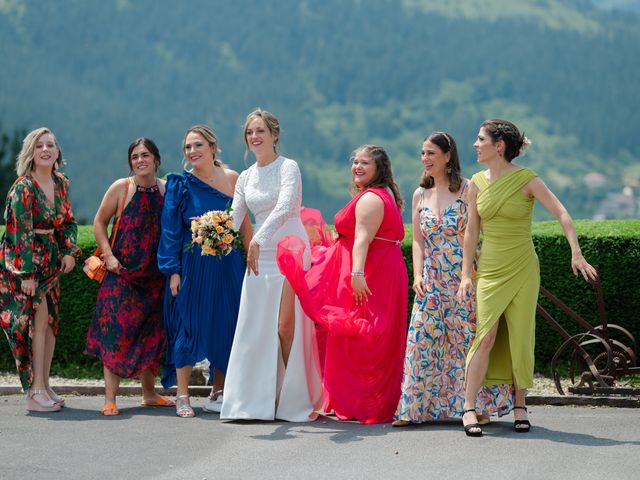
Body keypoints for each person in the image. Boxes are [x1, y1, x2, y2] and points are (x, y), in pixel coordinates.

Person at [458, 119, 598, 436]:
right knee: (486, 336)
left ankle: (520, 405)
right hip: (490, 270)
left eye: (480, 139)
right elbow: (471, 233)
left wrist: (576, 253)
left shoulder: (527, 179)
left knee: (521, 335)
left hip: (523, 266)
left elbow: (562, 213)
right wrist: (467, 275)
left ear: (499, 146)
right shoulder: (476, 183)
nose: (475, 144)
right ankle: (469, 407)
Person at [278, 144, 408, 424]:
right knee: (365, 335)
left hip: (371, 273)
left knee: (362, 334)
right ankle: (358, 401)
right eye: (355, 162)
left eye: (365, 163)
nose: (358, 167)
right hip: (378, 269)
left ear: (378, 169)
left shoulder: (372, 198)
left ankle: (363, 404)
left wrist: (357, 275)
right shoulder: (377, 194)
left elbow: (362, 238)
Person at [393, 132, 512, 427]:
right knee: (421, 341)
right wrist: (417, 274)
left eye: (431, 153)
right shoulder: (420, 195)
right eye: (423, 153)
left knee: (465, 342)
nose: (425, 159)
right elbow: (418, 241)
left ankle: (476, 406)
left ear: (448, 156)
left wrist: (469, 274)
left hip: (464, 278)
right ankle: (411, 408)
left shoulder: (467, 189)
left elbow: (477, 232)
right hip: (431, 280)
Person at [220, 109, 323, 422]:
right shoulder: (246, 176)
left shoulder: (288, 167)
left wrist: (256, 239)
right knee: (256, 326)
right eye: (250, 132)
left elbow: (284, 207)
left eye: (261, 131)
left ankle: (292, 400)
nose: (255, 137)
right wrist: (214, 235)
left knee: (285, 326)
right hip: (260, 257)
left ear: (275, 136)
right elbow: (236, 215)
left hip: (289, 250)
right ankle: (256, 400)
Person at [158, 125, 249, 418]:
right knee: (188, 325)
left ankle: (219, 391)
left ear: (213, 147)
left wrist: (251, 259)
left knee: (227, 324)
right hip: (193, 267)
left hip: (229, 264)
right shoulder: (179, 184)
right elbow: (170, 231)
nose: (192, 151)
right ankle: (182, 395)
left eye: (197, 145)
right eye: (187, 147)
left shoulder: (234, 178)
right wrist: (173, 271)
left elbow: (243, 224)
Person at [85, 138, 173, 416]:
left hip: (153, 277)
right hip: (119, 274)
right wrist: (109, 256)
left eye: (145, 155)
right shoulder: (121, 188)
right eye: (135, 157)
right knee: (115, 333)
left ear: (156, 159)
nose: (140, 160)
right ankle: (110, 398)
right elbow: (100, 221)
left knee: (150, 335)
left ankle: (149, 394)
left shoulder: (166, 190)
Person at [0, 127, 81, 412]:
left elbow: (68, 222)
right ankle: (34, 391)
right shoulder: (23, 188)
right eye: (39, 146)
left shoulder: (61, 183)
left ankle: (44, 384)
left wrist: (70, 249)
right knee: (36, 324)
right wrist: (27, 275)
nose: (45, 150)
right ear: (31, 153)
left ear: (58, 152)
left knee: (49, 324)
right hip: (26, 267)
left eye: (51, 145)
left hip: (51, 260)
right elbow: (18, 232)